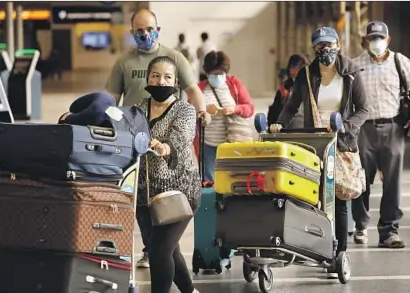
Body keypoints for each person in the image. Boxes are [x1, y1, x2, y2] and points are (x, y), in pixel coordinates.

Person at [104, 8, 211, 269]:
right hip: (135, 141)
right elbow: (109, 100)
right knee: (141, 197)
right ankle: (151, 248)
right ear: (132, 33)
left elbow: (193, 90)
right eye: (139, 31)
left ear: (158, 30)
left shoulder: (173, 57)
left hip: (167, 139)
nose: (145, 34)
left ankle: (157, 250)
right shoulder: (124, 63)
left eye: (150, 29)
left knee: (166, 211)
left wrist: (202, 111)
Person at [270, 27, 369, 276]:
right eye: (320, 46)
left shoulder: (352, 73)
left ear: (338, 44)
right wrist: (279, 123)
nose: (325, 50)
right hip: (314, 141)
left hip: (342, 141)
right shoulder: (306, 73)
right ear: (314, 49)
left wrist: (345, 127)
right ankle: (321, 248)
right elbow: (292, 105)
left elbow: (363, 109)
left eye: (329, 44)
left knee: (338, 199)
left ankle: (340, 254)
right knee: (314, 198)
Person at [352, 21, 410, 248]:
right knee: (361, 180)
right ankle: (360, 224)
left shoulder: (399, 61)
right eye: (372, 38)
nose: (376, 42)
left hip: (393, 128)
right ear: (365, 41)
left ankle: (388, 231)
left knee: (392, 182)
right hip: (364, 130)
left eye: (380, 38)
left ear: (388, 39)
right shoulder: (355, 65)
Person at [136, 56, 201, 293]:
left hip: (179, 193)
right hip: (144, 193)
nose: (160, 81)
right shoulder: (138, 108)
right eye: (155, 75)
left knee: (159, 251)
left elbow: (180, 136)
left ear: (176, 82)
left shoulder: (184, 110)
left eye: (167, 77)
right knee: (165, 247)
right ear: (147, 78)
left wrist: (165, 147)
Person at [195, 51, 255, 181]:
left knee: (232, 179)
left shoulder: (234, 84)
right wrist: (204, 110)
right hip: (208, 144)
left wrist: (234, 109)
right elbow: (189, 112)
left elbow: (249, 108)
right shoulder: (199, 89)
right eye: (213, 74)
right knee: (209, 181)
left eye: (220, 74)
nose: (217, 77)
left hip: (232, 143)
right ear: (206, 73)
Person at [267, 54, 309, 126]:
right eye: (293, 67)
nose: (294, 70)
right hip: (286, 128)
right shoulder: (284, 88)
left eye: (299, 67)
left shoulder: (311, 86)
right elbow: (274, 113)